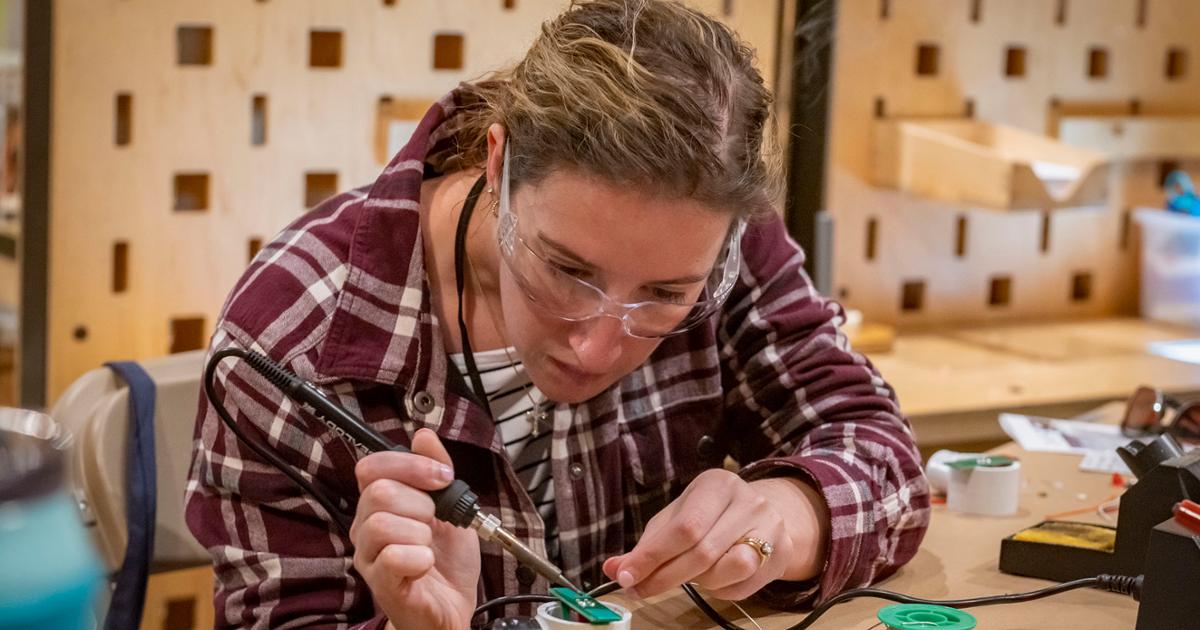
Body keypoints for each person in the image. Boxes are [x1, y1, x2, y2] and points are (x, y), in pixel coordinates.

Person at [184, 1, 930, 628]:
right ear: (499, 165)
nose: (599, 346)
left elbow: (878, 448)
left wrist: (791, 514)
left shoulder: (719, 240)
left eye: (665, 296)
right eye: (569, 271)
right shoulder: (291, 337)